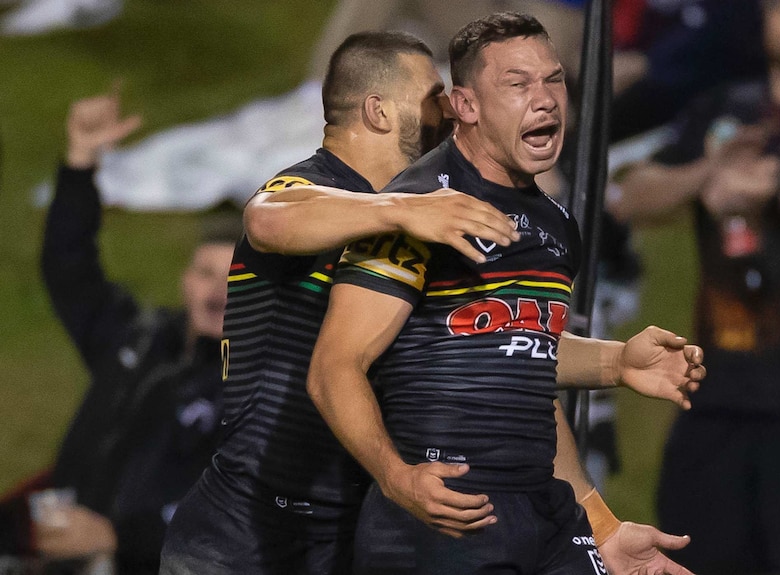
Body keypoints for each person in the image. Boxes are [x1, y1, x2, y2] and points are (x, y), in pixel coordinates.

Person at [306, 12, 705, 574]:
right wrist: (396, 478)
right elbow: (334, 367)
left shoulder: (553, 223)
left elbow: (523, 362)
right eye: (518, 85)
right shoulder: (419, 211)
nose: (544, 101)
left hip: (541, 514)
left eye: (554, 80)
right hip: (444, 520)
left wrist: (617, 362)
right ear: (466, 106)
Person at [159, 31, 523, 575]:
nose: (448, 110)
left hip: (339, 535)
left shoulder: (403, 225)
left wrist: (614, 362)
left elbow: (489, 338)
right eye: (431, 96)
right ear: (378, 112)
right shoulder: (311, 187)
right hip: (244, 536)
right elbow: (267, 215)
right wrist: (401, 208)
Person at [610, 0, 780, 572]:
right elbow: (632, 196)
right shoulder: (722, 109)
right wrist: (709, 174)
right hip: (714, 398)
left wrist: (778, 191)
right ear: (764, 20)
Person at [0, 92, 238, 574]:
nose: (216, 293)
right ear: (185, 280)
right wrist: (81, 162)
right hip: (54, 553)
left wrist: (117, 537)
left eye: (236, 281)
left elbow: (235, 517)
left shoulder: (256, 388)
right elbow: (69, 267)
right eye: (206, 274)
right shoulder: (138, 337)